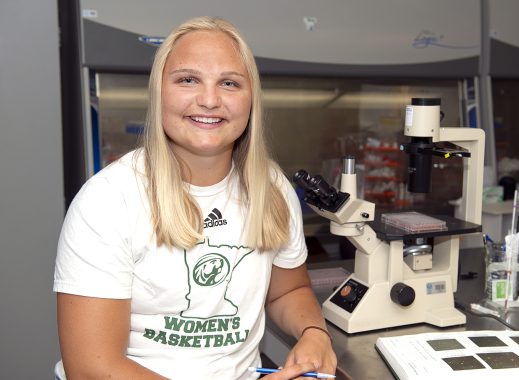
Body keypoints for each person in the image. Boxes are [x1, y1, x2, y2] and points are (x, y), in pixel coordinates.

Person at [54, 16, 336, 380]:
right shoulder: (109, 200)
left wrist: (314, 333)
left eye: (230, 83)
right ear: (160, 92)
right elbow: (93, 368)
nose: (209, 100)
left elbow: (288, 290)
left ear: (251, 100)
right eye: (188, 80)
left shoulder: (270, 187)